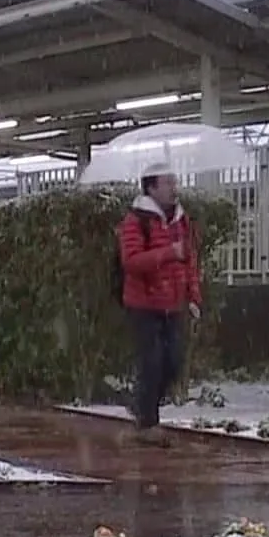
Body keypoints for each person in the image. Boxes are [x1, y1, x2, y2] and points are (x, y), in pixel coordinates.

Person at [117, 169, 203, 445]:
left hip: (173, 303)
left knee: (174, 361)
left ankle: (141, 404)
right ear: (151, 188)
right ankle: (147, 423)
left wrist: (193, 297)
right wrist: (168, 254)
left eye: (174, 182)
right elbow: (131, 261)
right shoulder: (136, 220)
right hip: (143, 304)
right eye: (167, 183)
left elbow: (189, 262)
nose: (174, 188)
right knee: (151, 362)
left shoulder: (181, 219)